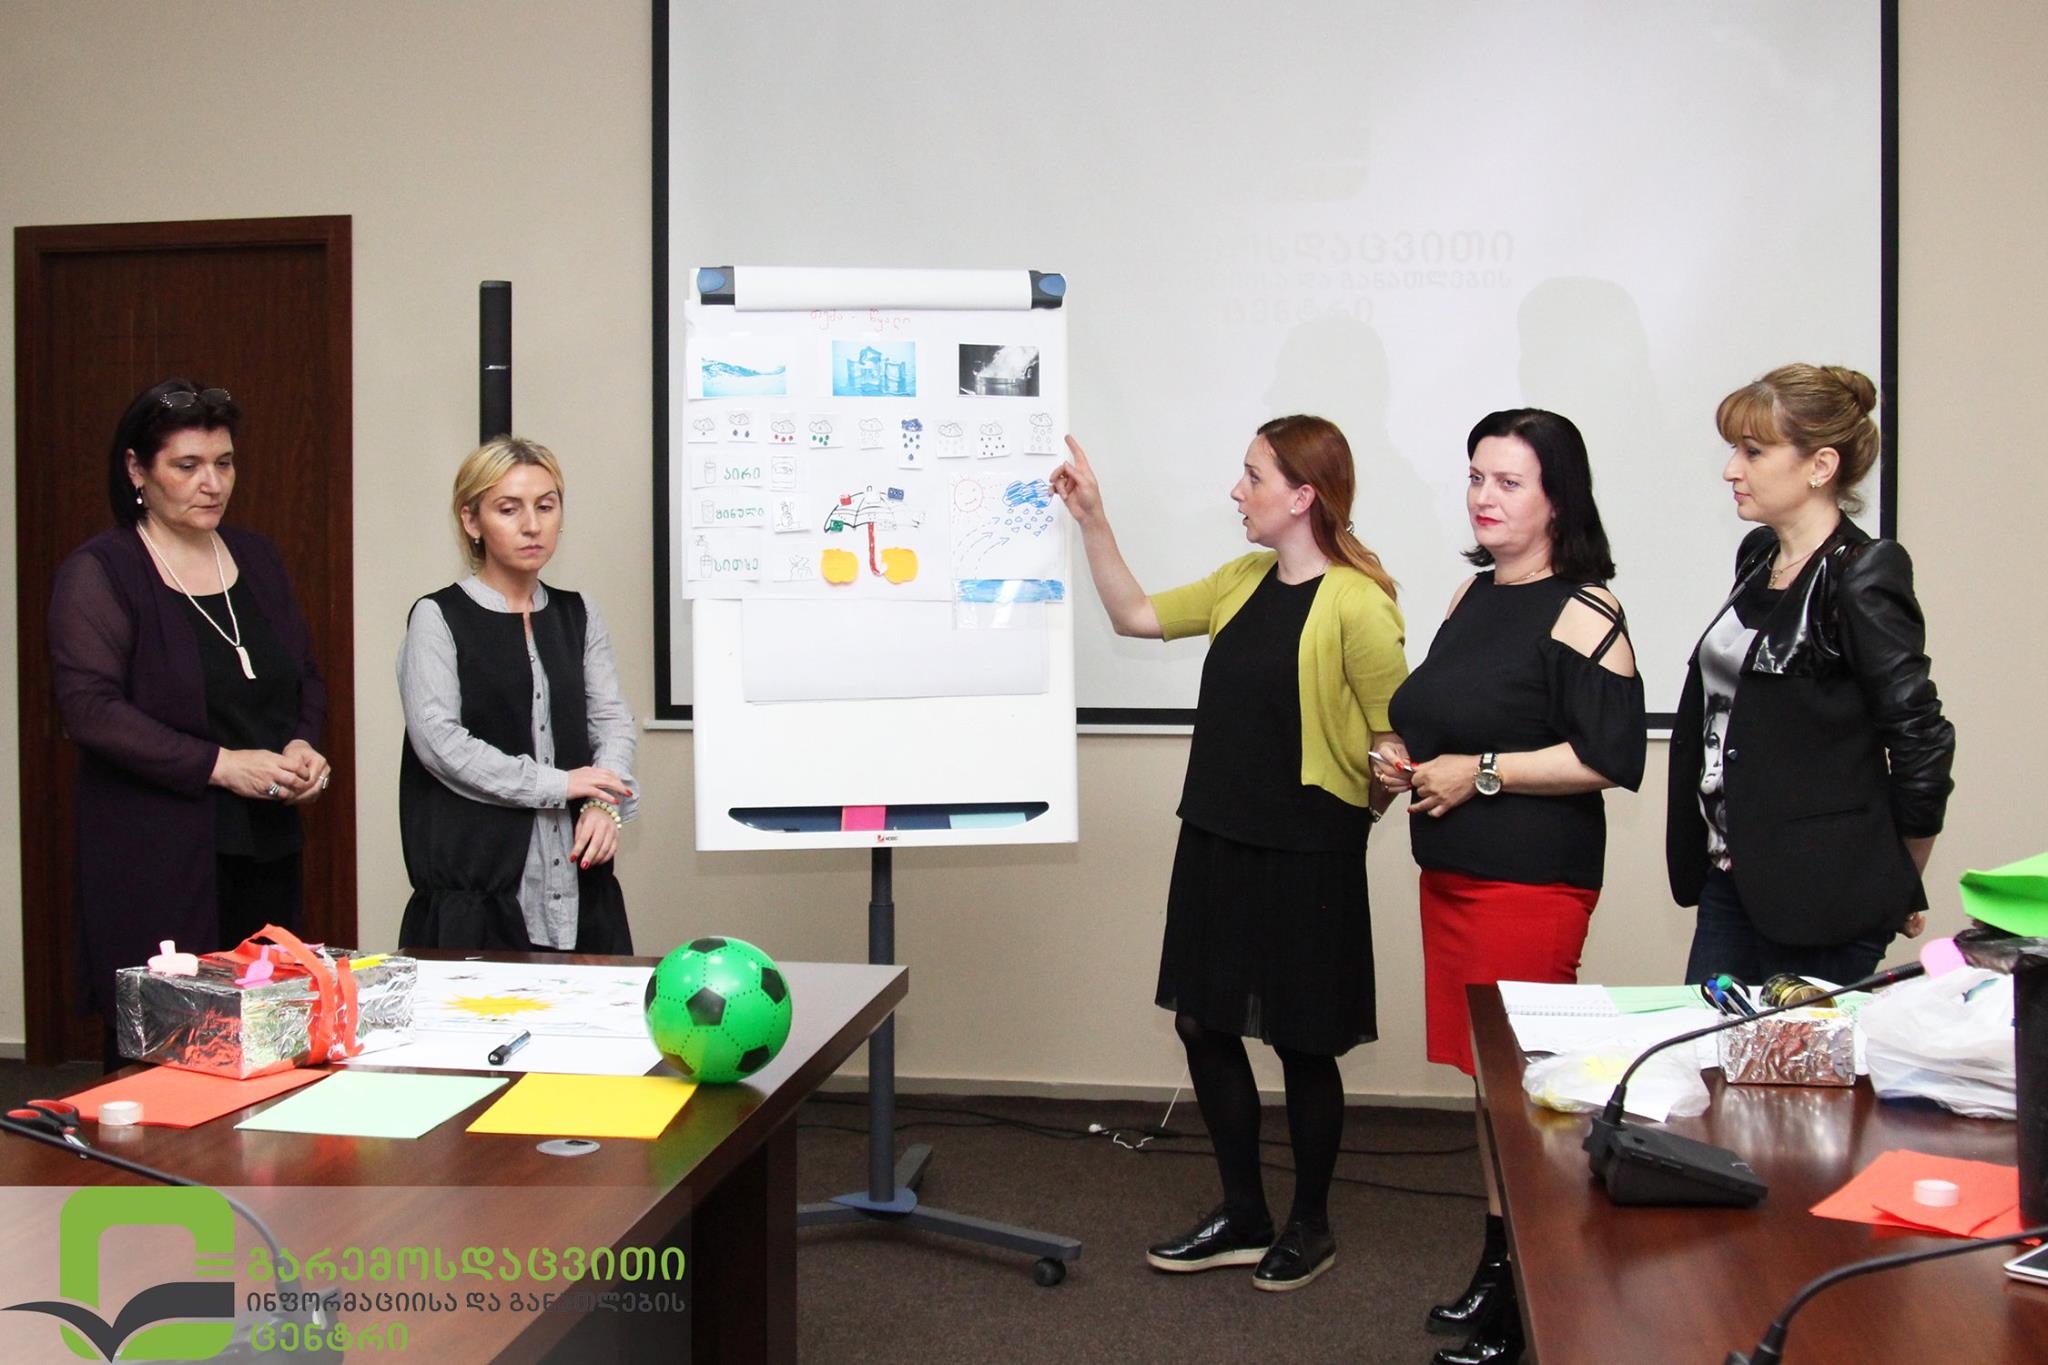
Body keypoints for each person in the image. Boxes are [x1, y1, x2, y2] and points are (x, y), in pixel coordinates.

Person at [1051, 415, 1407, 1292]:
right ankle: (1244, 1213)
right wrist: (1093, 518)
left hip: (1307, 850)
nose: (1237, 492)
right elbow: (1135, 614)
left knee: (1303, 1040)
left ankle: (1309, 1225)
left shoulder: (1360, 604)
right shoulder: (1241, 580)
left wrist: (1355, 812)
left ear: (1303, 495)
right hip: (1215, 836)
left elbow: (1394, 743)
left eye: (1253, 476)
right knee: (1202, 1022)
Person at [1377, 408, 1645, 1365]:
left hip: (1529, 887)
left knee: (1528, 1099)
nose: (1483, 497)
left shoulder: (1587, 609)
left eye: (1508, 482)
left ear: (1557, 500)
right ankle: (1502, 1267)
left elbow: (1609, 756)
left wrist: (1480, 771)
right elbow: (1440, 715)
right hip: (1451, 882)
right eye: (1475, 477)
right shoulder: (1471, 593)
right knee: (1489, 1091)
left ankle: (1534, 1298)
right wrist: (1399, 756)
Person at [49, 379, 331, 1069]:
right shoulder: (102, 571)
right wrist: (221, 764)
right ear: (136, 470)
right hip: (159, 856)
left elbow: (303, 674)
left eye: (224, 462)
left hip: (264, 848)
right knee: (171, 1059)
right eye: (188, 465)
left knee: (268, 1052)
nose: (213, 483)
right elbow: (90, 710)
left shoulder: (257, 557)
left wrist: (303, 744)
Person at [1668, 364, 1954, 987]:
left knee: (1797, 1054)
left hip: (1824, 897)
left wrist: (1900, 877)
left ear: (1820, 466)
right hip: (1732, 876)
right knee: (1706, 1043)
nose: (1731, 470)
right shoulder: (1758, 557)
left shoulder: (1863, 572)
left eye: (1753, 452)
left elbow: (1921, 738)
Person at [398, 436, 637, 952]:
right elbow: (439, 742)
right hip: (477, 900)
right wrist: (559, 784)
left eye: (546, 507)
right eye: (509, 509)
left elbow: (612, 722)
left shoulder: (580, 613)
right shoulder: (437, 616)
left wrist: (604, 804)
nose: (532, 525)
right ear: (471, 520)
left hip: (583, 892)